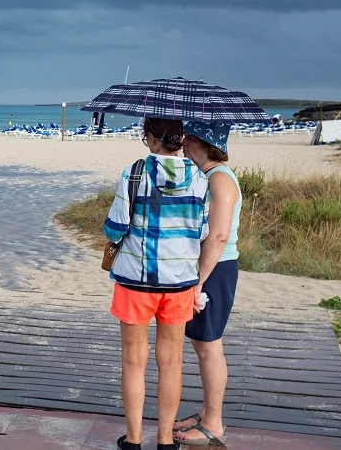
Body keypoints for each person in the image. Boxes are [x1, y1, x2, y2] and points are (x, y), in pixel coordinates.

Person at [104, 117, 209, 450]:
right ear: (179, 139)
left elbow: (115, 227)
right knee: (172, 362)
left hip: (136, 280)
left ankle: (133, 440)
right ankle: (165, 441)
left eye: (145, 136)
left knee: (134, 361)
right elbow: (202, 231)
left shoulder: (135, 172)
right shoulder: (199, 177)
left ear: (151, 138)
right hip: (178, 282)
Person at [173, 121, 240, 447]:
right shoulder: (208, 177)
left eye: (189, 139)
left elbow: (218, 236)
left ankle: (214, 423)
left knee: (209, 345)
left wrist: (198, 282)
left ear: (204, 142)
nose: (183, 143)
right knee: (202, 344)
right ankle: (206, 412)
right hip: (208, 266)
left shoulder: (220, 180)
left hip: (215, 268)